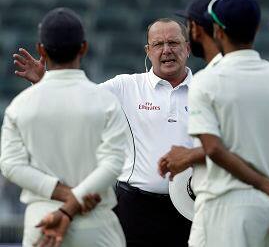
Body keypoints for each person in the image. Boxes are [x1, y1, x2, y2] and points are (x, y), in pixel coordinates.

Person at [12, 18, 193, 247]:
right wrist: (45, 82)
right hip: (135, 209)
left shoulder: (205, 89)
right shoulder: (126, 86)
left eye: (173, 43)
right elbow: (80, 104)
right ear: (148, 51)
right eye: (158, 44)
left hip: (191, 207)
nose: (166, 50)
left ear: (187, 47)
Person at [187, 0, 269, 247]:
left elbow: (213, 148)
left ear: (218, 31)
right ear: (256, 29)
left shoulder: (206, 81)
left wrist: (265, 184)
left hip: (228, 209)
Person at [0, 7, 130, 246]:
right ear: (84, 47)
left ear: (41, 49)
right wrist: (75, 200)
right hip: (95, 220)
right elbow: (112, 164)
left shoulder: (19, 105)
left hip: (42, 222)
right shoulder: (106, 102)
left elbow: (10, 165)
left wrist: (63, 196)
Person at [158, 0, 269, 212]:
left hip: (227, 206)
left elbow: (235, 145)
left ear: (197, 29)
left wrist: (188, 155)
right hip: (266, 203)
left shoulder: (213, 80)